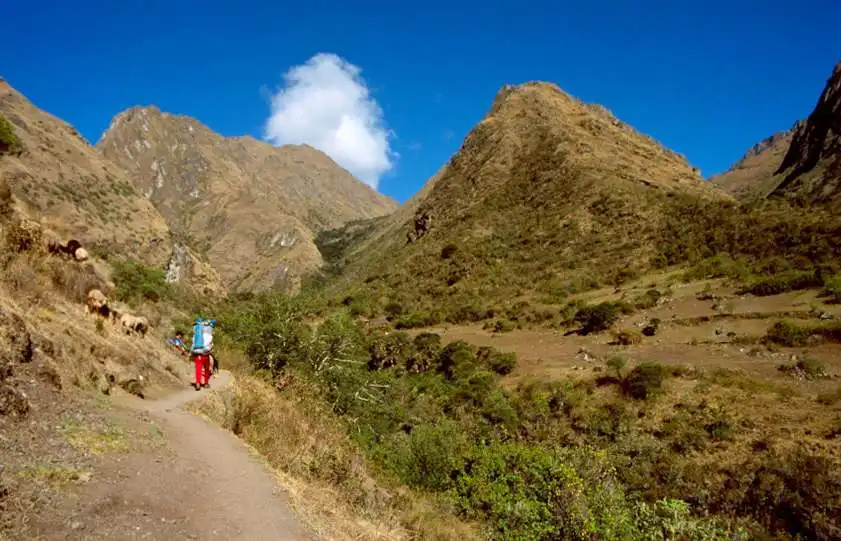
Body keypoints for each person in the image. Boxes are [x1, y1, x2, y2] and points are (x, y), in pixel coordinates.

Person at [190, 318, 212, 390]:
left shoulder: (195, 336)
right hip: (206, 355)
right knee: (206, 370)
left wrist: (191, 353)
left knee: (198, 370)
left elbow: (193, 345)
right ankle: (206, 383)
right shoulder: (209, 336)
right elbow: (211, 345)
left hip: (198, 356)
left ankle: (198, 383)